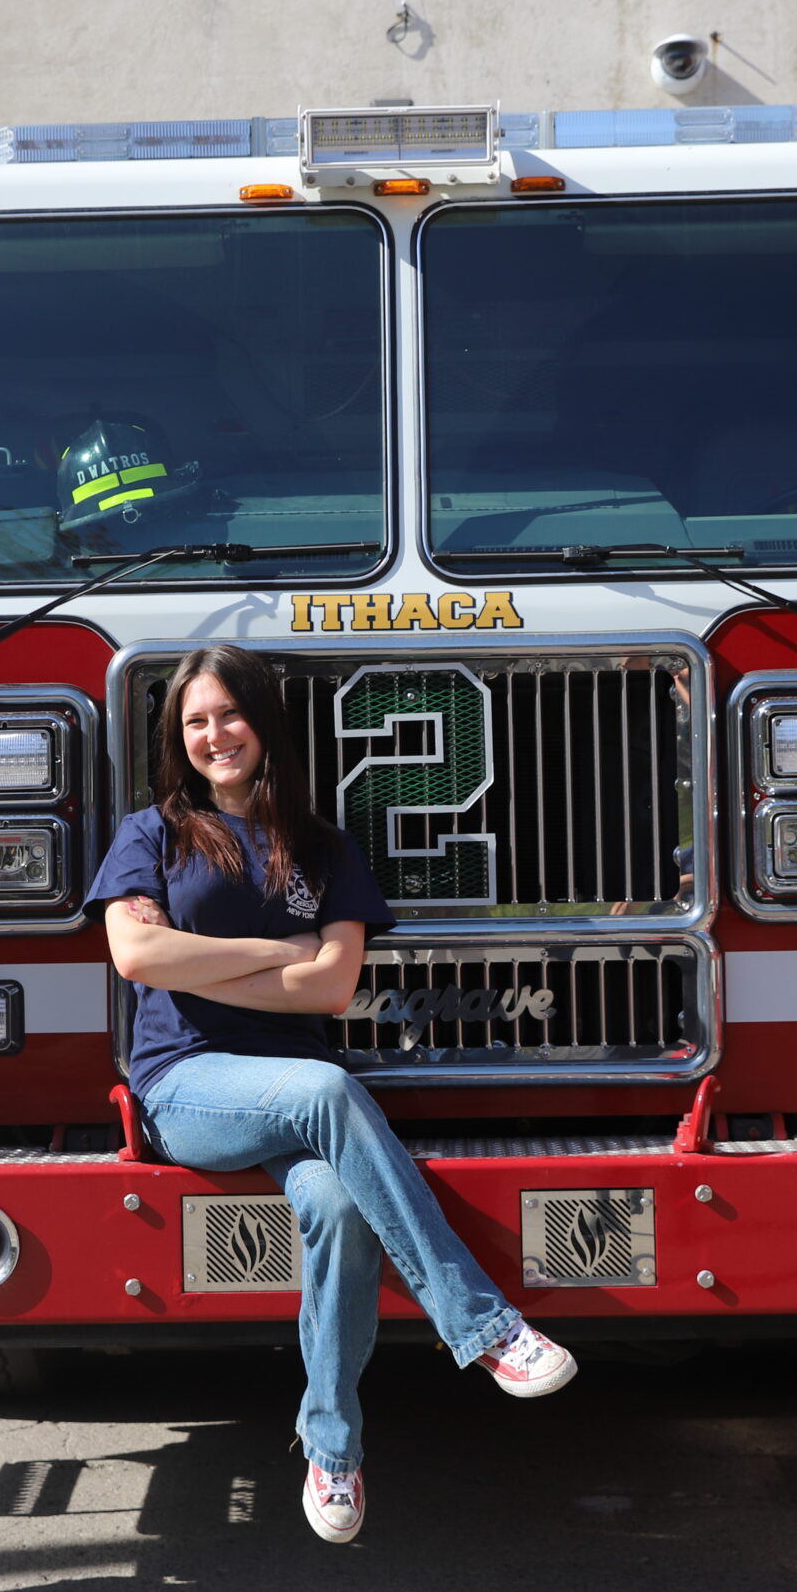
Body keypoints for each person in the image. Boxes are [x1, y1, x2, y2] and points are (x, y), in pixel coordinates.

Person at [89, 644, 577, 1544]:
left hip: (294, 1103)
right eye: (195, 721)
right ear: (177, 737)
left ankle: (334, 1450)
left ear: (264, 723)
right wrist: (280, 952)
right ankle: (485, 1326)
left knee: (342, 1206)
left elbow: (331, 987)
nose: (213, 734)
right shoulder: (149, 833)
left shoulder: (322, 845)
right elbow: (139, 958)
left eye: (229, 714)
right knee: (327, 1085)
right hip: (187, 1085)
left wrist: (218, 966)